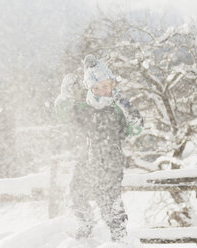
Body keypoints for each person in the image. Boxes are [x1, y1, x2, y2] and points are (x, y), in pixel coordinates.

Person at [55, 54, 143, 243]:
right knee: (77, 192)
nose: (102, 91)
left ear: (112, 85)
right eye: (97, 87)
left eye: (105, 86)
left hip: (111, 160)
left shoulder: (118, 108)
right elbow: (63, 115)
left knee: (110, 201)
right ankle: (85, 229)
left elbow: (135, 128)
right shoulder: (84, 108)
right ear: (90, 89)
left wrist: (127, 109)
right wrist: (65, 94)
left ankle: (119, 238)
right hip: (87, 158)